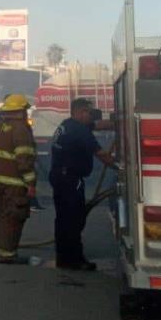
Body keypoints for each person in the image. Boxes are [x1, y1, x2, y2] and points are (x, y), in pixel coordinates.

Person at [49, 98, 116, 270]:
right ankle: (75, 260)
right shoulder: (80, 131)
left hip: (59, 176)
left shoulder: (68, 125)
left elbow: (98, 125)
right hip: (70, 180)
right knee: (74, 219)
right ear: (79, 112)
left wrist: (117, 122)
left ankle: (63, 257)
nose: (91, 115)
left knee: (63, 219)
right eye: (87, 112)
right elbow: (102, 155)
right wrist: (120, 167)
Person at [0, 93, 38, 264]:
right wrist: (30, 183)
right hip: (15, 183)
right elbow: (24, 161)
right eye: (25, 110)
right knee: (13, 218)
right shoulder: (21, 130)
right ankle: (7, 254)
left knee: (2, 214)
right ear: (20, 111)